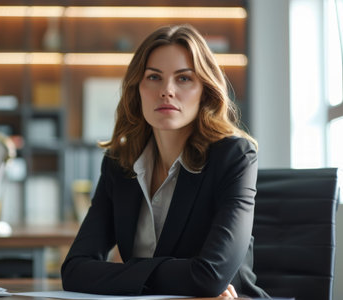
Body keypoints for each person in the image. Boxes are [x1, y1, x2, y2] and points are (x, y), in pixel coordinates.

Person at [61, 24, 269, 299]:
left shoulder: (234, 157)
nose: (167, 91)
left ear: (204, 91)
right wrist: (181, 275)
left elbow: (210, 277)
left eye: (183, 79)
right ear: (137, 89)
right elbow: (74, 270)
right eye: (154, 77)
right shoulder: (119, 164)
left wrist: (127, 273)